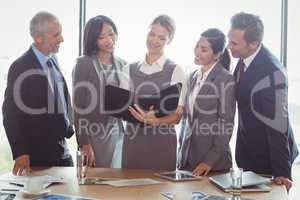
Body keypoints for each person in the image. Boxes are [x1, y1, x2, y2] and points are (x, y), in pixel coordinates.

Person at [228, 12, 299, 191]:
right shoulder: (243, 57)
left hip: (269, 156)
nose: (229, 47)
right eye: (229, 40)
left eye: (234, 43)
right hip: (248, 149)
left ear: (254, 44)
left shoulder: (272, 72)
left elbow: (278, 123)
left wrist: (282, 172)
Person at [2, 11, 74, 175]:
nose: (61, 39)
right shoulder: (20, 66)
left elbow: (61, 96)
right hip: (37, 157)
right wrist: (20, 152)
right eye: (56, 35)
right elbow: (10, 113)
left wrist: (68, 125)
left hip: (62, 153)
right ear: (38, 37)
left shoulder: (53, 61)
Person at [120, 15, 186, 170]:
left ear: (169, 40)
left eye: (161, 38)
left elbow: (177, 117)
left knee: (161, 192)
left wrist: (155, 120)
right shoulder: (127, 69)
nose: (154, 41)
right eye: (152, 34)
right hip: (133, 144)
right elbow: (122, 108)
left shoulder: (176, 71)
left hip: (162, 145)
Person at [177, 28, 235, 176]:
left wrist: (209, 161)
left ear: (216, 55)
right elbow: (186, 120)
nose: (197, 51)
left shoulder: (225, 79)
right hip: (187, 161)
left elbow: (226, 124)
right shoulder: (192, 76)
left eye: (203, 49)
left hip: (213, 165)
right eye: (197, 46)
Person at [73, 15, 126, 168]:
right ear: (93, 40)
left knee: (116, 182)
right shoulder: (84, 63)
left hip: (117, 133)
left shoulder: (124, 64)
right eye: (102, 37)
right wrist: (84, 143)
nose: (109, 40)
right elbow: (78, 107)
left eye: (111, 34)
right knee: (94, 183)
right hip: (93, 135)